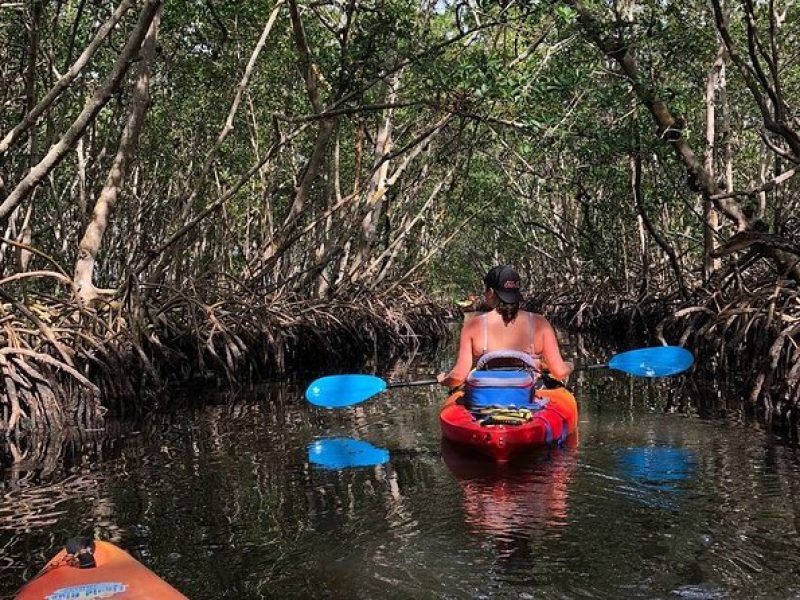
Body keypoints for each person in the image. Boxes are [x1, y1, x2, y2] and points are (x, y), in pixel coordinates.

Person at [437, 265, 573, 387]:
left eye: (485, 291)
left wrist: (444, 379)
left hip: (486, 400)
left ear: (490, 292)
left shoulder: (473, 325)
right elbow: (560, 372)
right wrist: (570, 365)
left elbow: (458, 377)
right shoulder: (540, 322)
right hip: (526, 397)